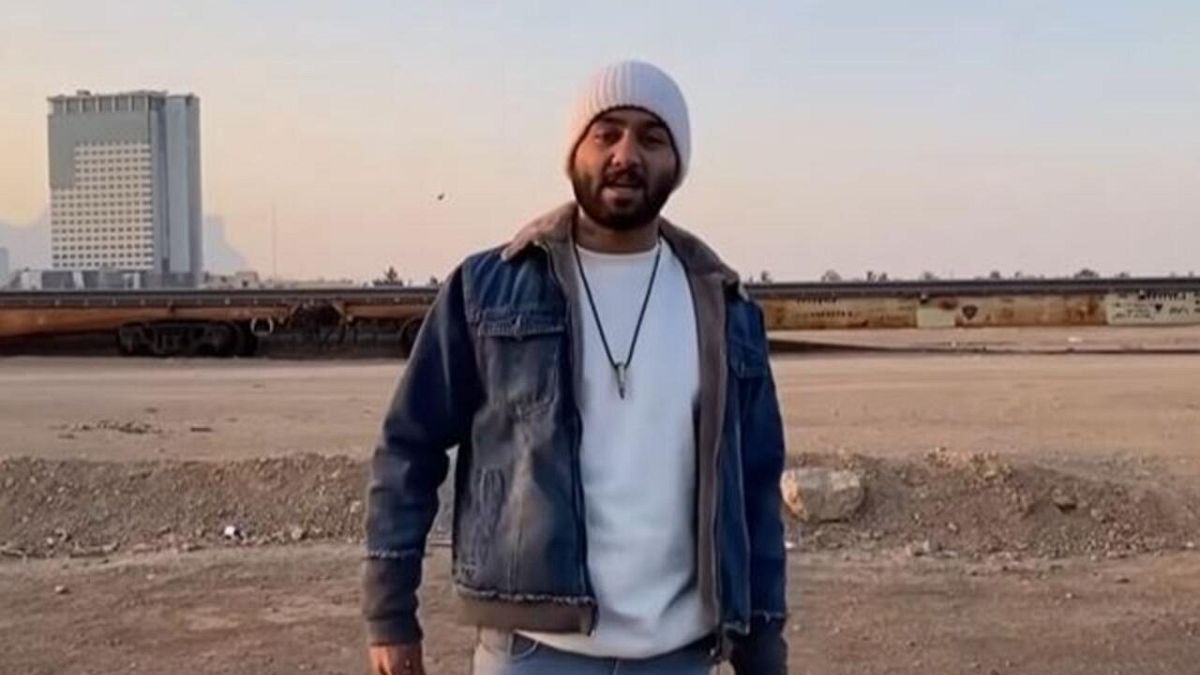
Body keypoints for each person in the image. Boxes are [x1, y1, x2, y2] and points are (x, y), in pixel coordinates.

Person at [364, 60, 788, 675]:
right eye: (606, 133)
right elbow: (409, 448)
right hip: (534, 653)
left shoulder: (724, 307)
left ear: (677, 163)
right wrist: (389, 614)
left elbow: (755, 487)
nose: (626, 154)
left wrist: (764, 643)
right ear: (573, 153)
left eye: (652, 137)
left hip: (678, 656)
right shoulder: (487, 290)